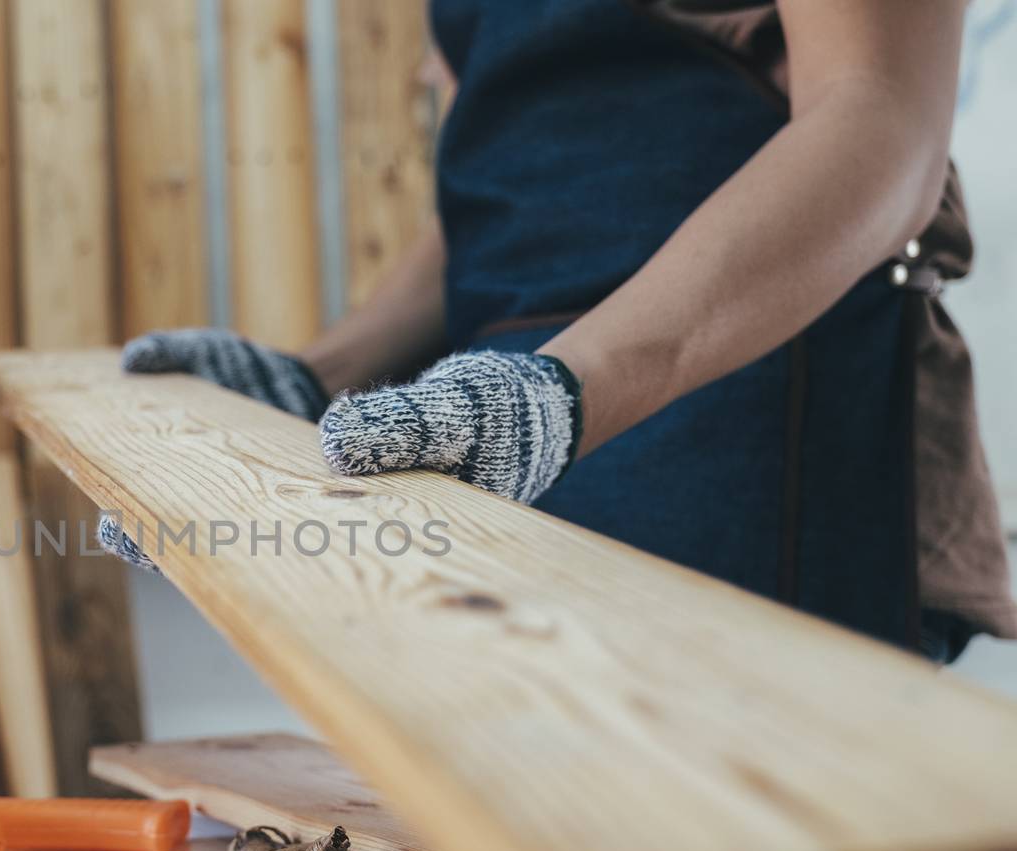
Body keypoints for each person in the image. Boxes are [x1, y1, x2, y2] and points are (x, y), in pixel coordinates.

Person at [101, 0, 1016, 664]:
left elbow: (881, 116)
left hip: (758, 438)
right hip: (517, 457)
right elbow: (510, 194)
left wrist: (556, 392)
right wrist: (318, 377)